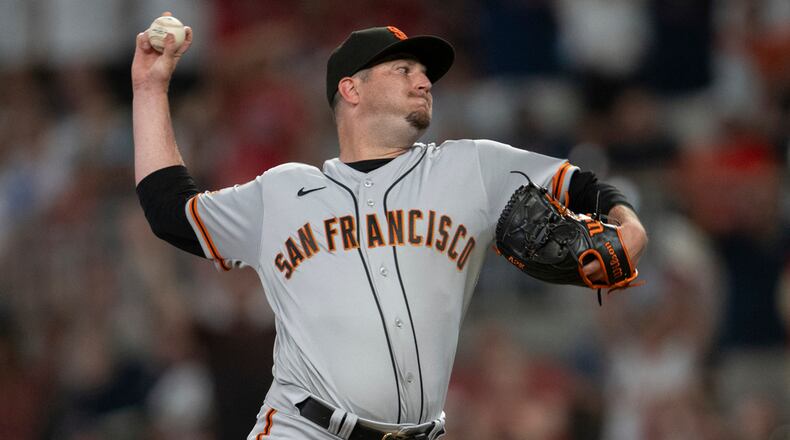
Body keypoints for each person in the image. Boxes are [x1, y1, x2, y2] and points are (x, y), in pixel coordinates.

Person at [132, 24, 647, 440]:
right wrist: (150, 88)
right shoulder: (282, 193)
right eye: (403, 69)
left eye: (425, 72)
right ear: (350, 89)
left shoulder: (472, 167)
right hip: (303, 428)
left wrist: (627, 222)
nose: (423, 81)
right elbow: (170, 212)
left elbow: (581, 184)